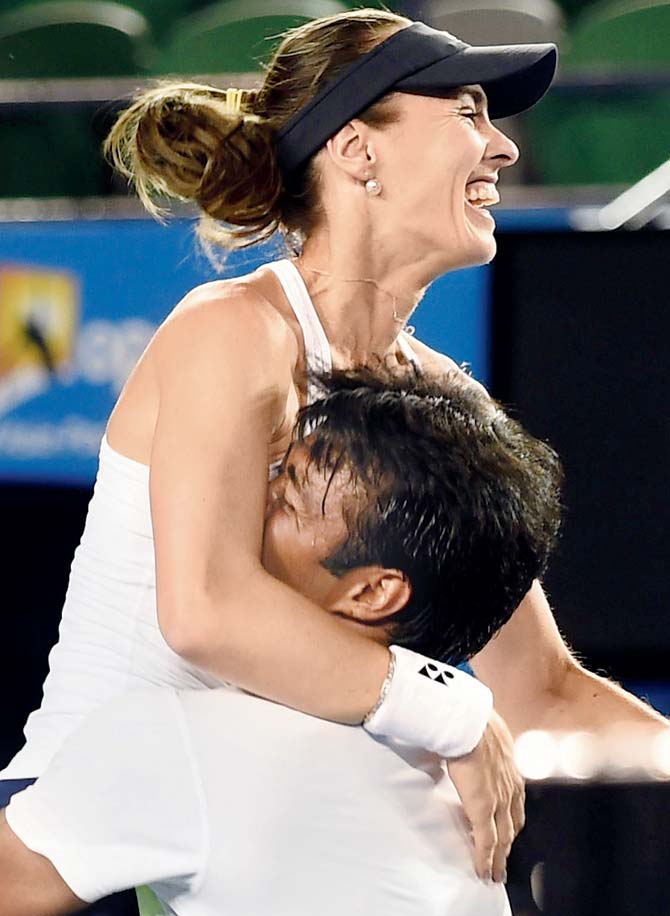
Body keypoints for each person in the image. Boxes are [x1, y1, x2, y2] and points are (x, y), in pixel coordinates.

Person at [1, 6, 665, 899]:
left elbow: (539, 688)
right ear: (358, 151)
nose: (504, 148)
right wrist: (451, 709)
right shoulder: (234, 332)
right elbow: (203, 610)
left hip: (273, 826)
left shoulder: (448, 399)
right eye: (467, 112)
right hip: (87, 848)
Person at [0, 368, 563, 916]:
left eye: (286, 497)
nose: (249, 495)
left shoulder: (175, 742)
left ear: (373, 593)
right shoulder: (465, 792)